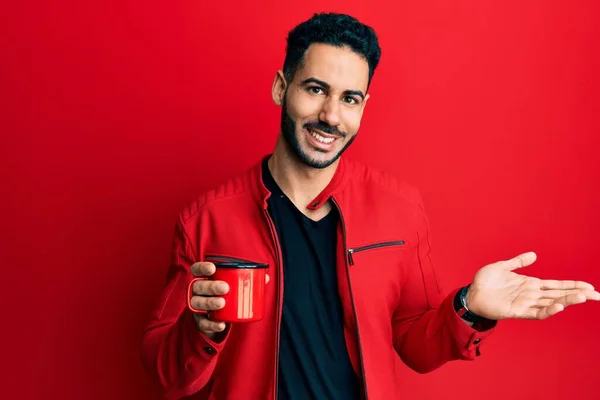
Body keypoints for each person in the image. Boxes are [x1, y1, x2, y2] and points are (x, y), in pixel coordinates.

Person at [141, 12, 599, 400]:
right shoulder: (205, 220)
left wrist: (469, 307)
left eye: (349, 99)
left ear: (364, 106)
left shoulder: (400, 207)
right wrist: (200, 330)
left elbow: (416, 346)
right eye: (316, 89)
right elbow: (168, 375)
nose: (331, 116)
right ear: (282, 87)